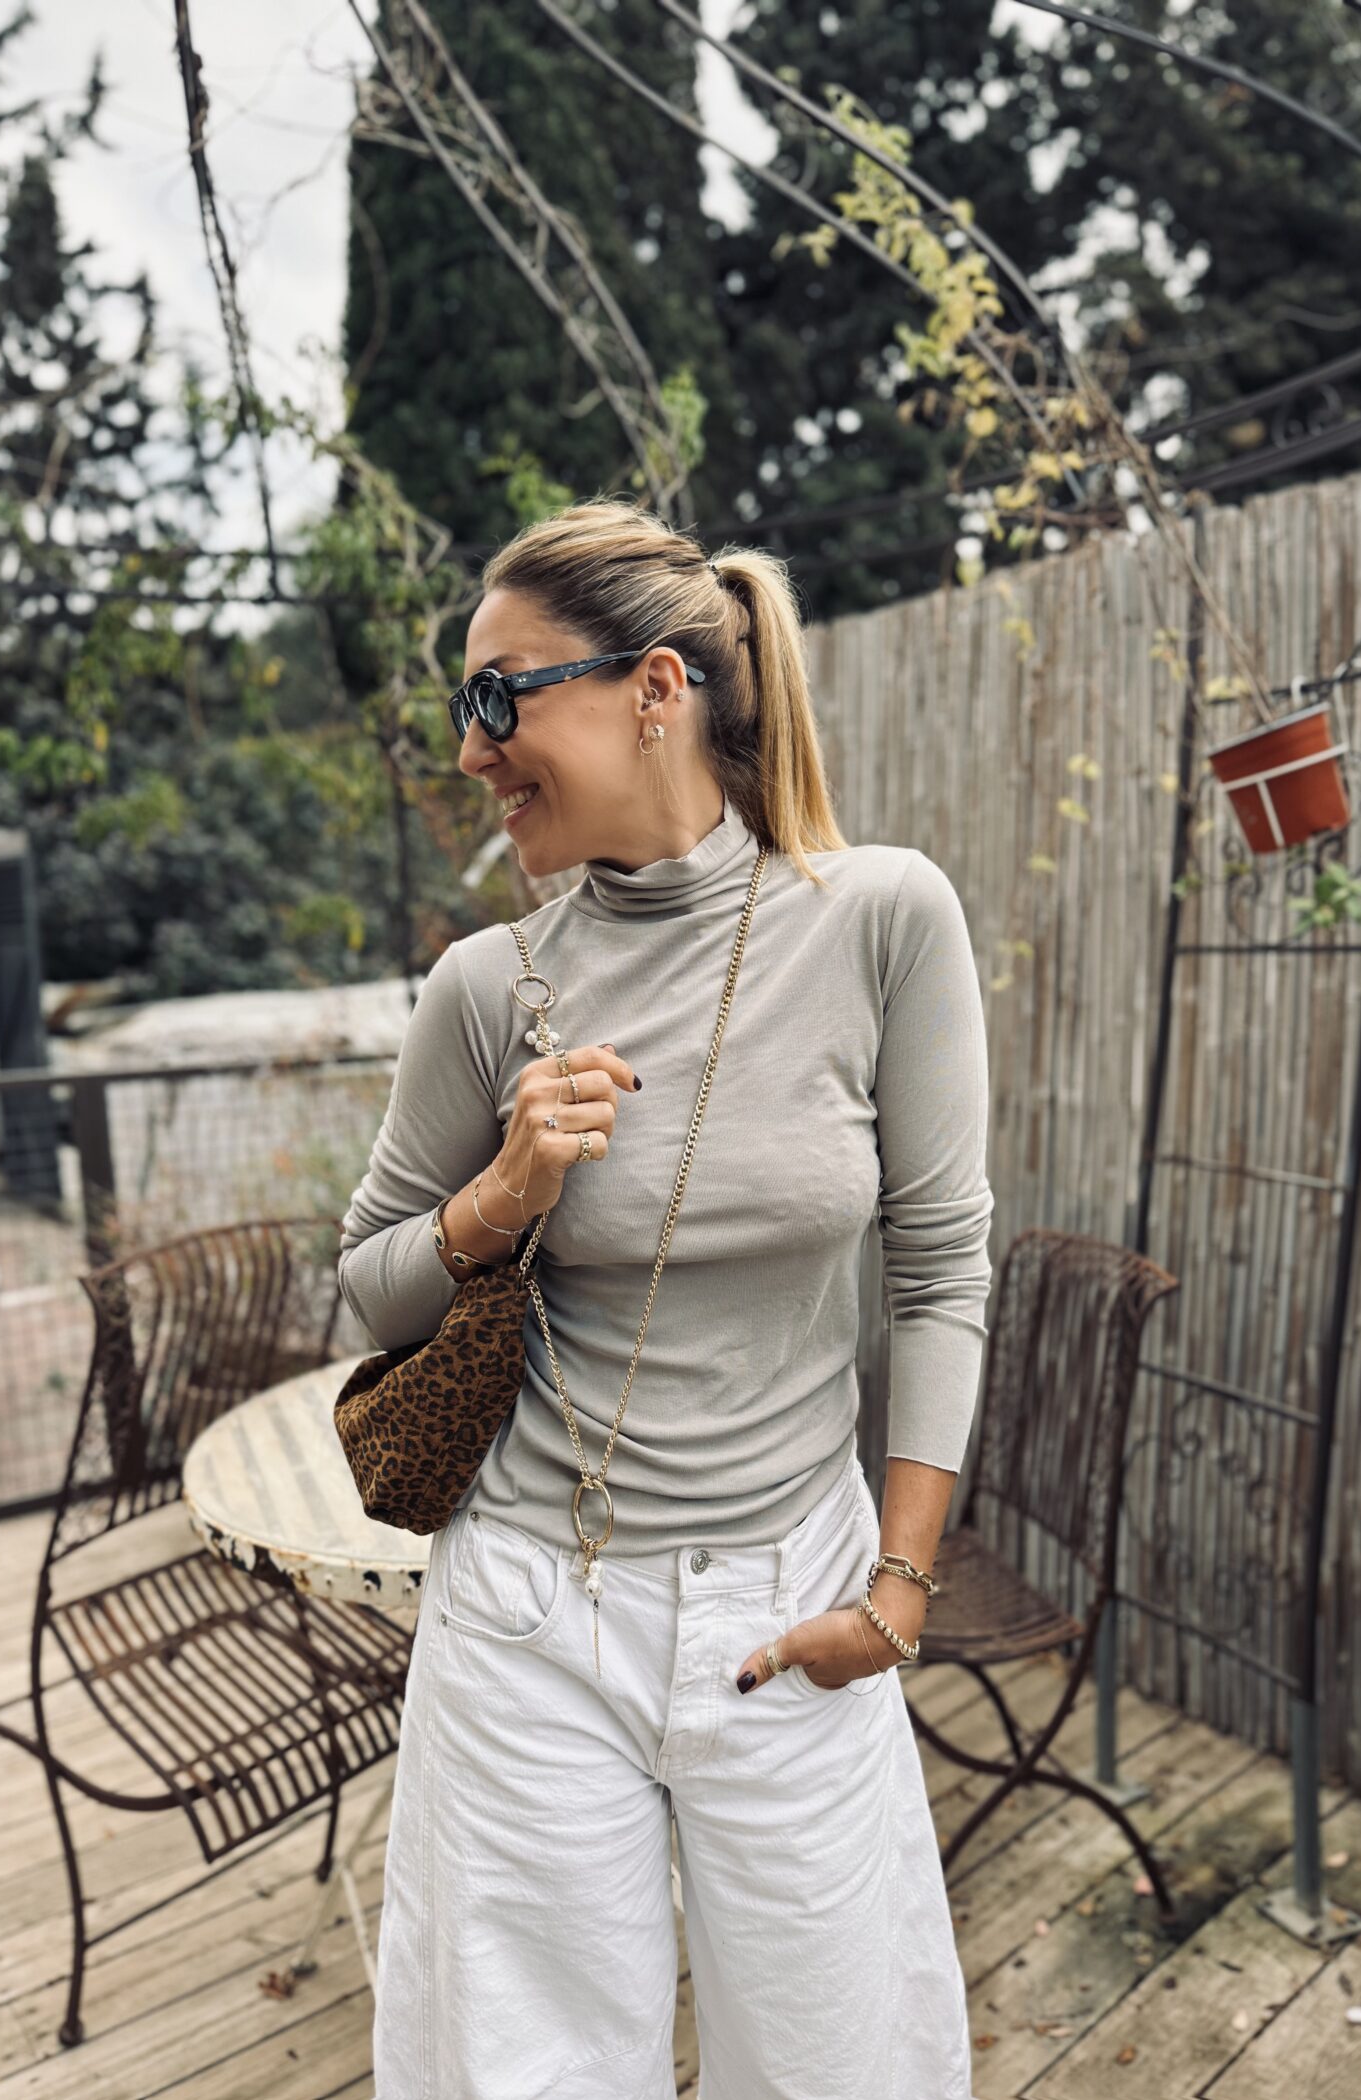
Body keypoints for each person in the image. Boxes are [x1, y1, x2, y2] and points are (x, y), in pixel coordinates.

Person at [339, 497, 995, 2100]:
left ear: (656, 688)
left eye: (500, 697)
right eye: (463, 708)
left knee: (846, 2066)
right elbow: (367, 1288)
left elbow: (940, 1265)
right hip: (526, 1619)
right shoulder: (488, 986)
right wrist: (501, 1197)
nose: (472, 749)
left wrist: (900, 1589)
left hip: (794, 1595)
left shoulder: (884, 920)